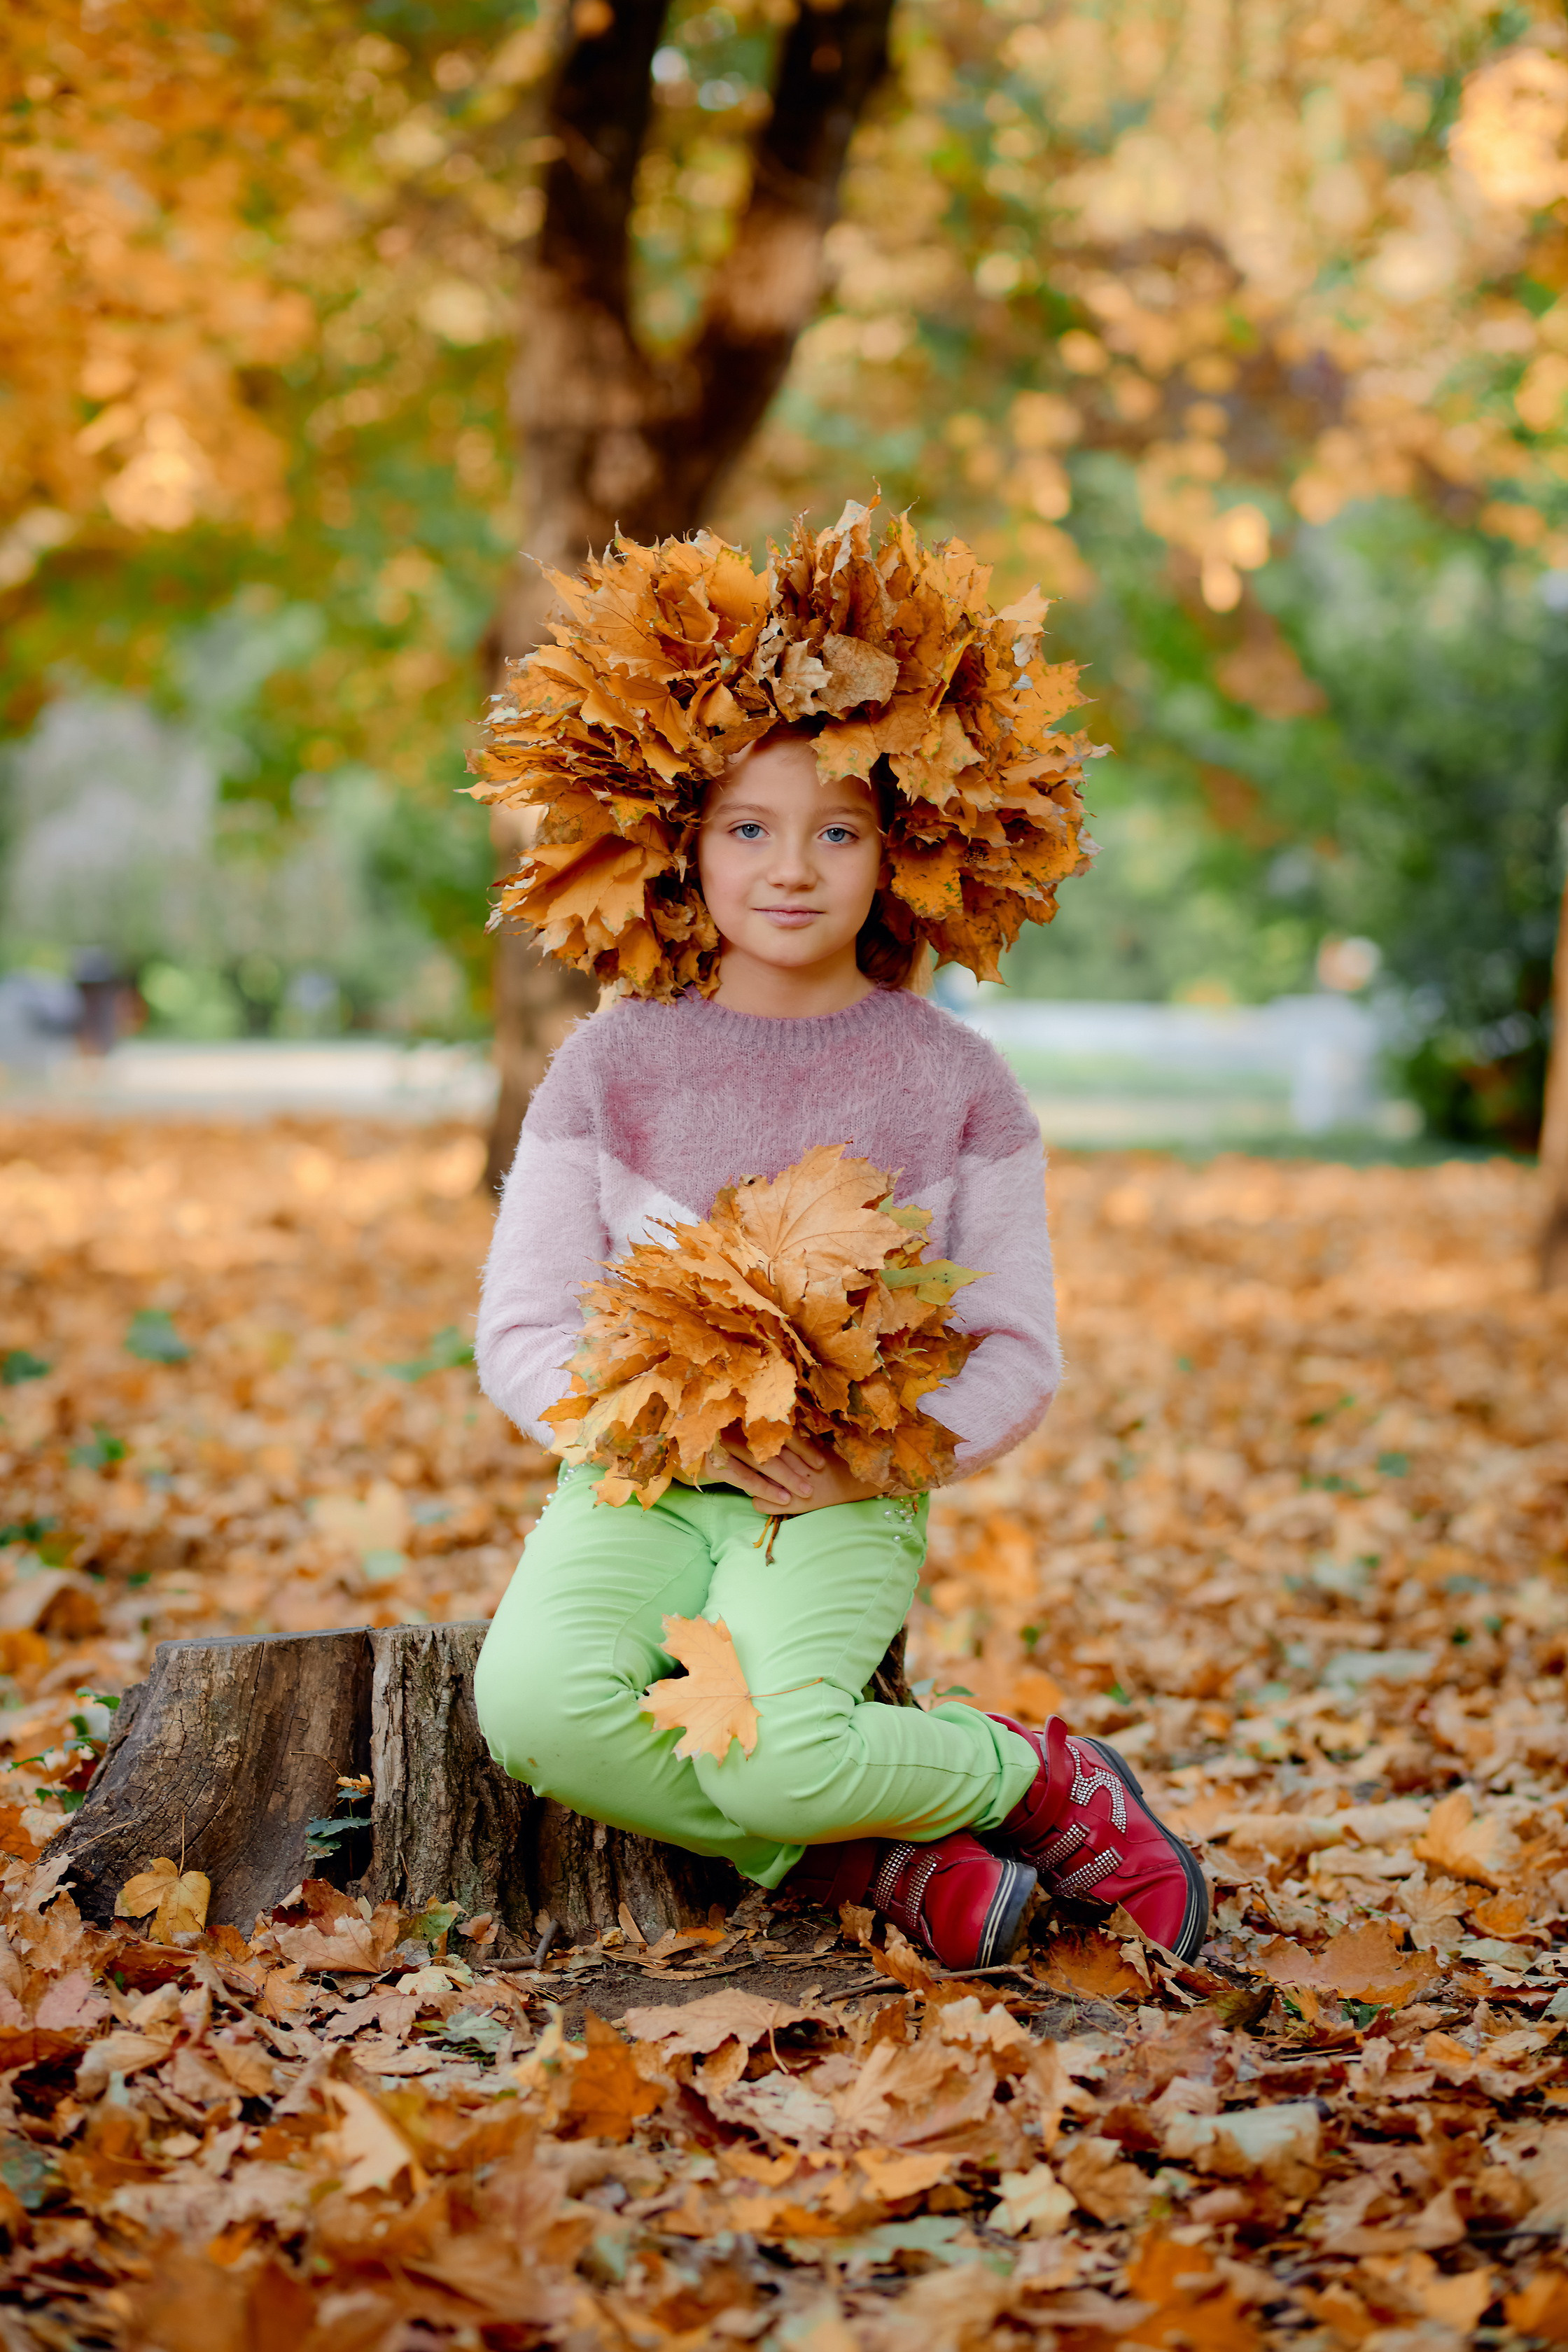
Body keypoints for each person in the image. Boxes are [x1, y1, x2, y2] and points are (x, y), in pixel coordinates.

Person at [470, 503, 1209, 1969]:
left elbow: (1015, 1346)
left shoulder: (955, 1081)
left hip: (842, 1489)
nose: (790, 867)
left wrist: (885, 1461)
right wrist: (671, 1439)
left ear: (901, 849)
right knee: (536, 1711)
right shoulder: (610, 1065)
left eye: (838, 831)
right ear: (682, 844)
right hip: (640, 1477)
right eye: (747, 828)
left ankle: (1036, 1777)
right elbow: (523, 1325)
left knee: (781, 1749)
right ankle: (867, 1855)